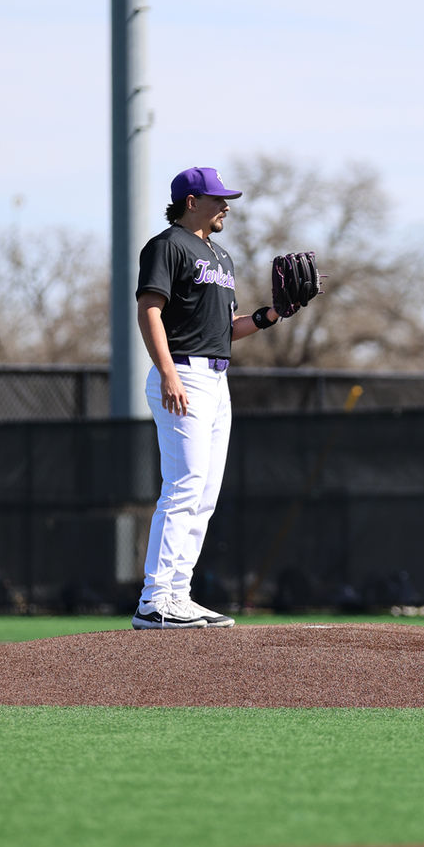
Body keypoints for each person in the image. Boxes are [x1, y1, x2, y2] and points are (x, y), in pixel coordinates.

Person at [132, 165, 317, 629]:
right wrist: (167, 372)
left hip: (217, 379)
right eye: (217, 198)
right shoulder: (166, 246)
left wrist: (272, 314)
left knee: (206, 493)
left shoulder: (222, 257)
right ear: (191, 201)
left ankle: (178, 593)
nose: (226, 205)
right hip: (184, 375)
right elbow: (149, 311)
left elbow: (225, 330)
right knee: (184, 485)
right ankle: (154, 599)